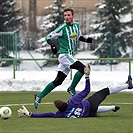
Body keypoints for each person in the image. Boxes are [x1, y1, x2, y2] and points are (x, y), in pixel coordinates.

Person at [18, 64, 133, 118]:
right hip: (90, 104)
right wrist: (87, 76)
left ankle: (113, 108)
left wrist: (30, 114)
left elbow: (46, 115)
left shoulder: (61, 115)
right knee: (106, 90)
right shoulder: (72, 101)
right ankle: (128, 85)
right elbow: (87, 90)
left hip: (89, 114)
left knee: (95, 110)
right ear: (65, 102)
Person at [34, 8, 93, 109]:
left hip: (69, 56)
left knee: (58, 81)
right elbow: (48, 37)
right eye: (65, 15)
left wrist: (86, 40)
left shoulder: (76, 26)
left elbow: (78, 36)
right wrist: (52, 45)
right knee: (83, 69)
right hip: (64, 55)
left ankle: (39, 96)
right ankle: (71, 88)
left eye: (68, 15)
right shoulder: (62, 28)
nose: (67, 17)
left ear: (72, 16)